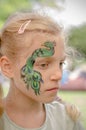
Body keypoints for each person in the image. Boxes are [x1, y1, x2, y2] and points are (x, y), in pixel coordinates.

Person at [0, 11, 84, 130]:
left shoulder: (67, 120)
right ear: (8, 67)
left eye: (61, 63)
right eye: (44, 64)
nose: (58, 75)